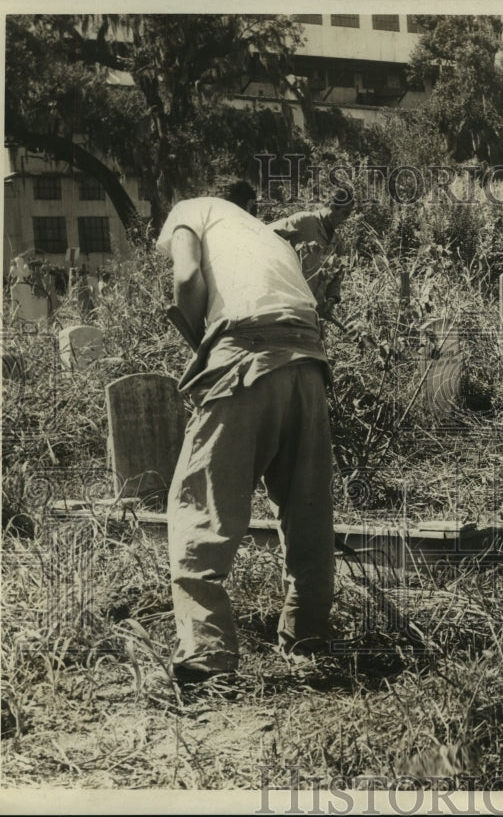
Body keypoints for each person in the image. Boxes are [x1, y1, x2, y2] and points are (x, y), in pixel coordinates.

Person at [155, 179, 337, 686]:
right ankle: (309, 643)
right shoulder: (265, 234)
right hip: (309, 360)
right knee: (307, 508)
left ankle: (207, 655)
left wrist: (201, 349)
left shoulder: (190, 207)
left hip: (245, 354)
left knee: (199, 504)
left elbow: (187, 278)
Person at [269, 194, 354, 322]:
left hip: (314, 311)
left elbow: (337, 276)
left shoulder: (337, 243)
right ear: (332, 206)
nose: (345, 219)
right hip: (288, 304)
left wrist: (331, 299)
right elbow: (268, 233)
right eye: (345, 214)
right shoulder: (305, 221)